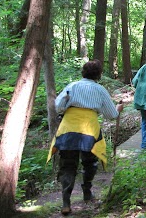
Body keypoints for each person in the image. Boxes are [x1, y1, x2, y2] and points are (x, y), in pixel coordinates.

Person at [47, 59, 123, 216]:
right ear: (99, 75)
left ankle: (66, 202)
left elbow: (58, 105)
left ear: (83, 72)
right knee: (90, 162)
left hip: (68, 128)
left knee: (68, 165)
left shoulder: (72, 86)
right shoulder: (100, 90)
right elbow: (112, 115)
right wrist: (118, 108)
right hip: (89, 129)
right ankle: (87, 191)